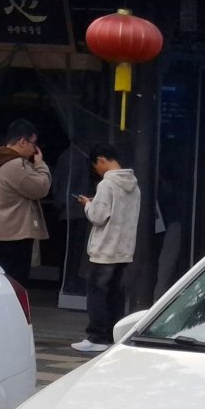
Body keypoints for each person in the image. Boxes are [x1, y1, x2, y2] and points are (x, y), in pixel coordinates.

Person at [70, 144, 140, 353]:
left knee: (97, 292)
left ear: (101, 160)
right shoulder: (134, 185)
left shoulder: (106, 185)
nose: (96, 171)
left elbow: (98, 217)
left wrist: (88, 205)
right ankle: (112, 335)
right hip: (124, 248)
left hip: (104, 249)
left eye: (95, 166)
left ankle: (97, 337)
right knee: (116, 294)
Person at [0, 119, 51, 289]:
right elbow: (40, 187)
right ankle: (15, 314)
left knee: (3, 280)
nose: (35, 149)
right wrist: (40, 165)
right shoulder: (14, 164)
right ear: (22, 141)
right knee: (16, 282)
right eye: (33, 144)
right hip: (16, 233)